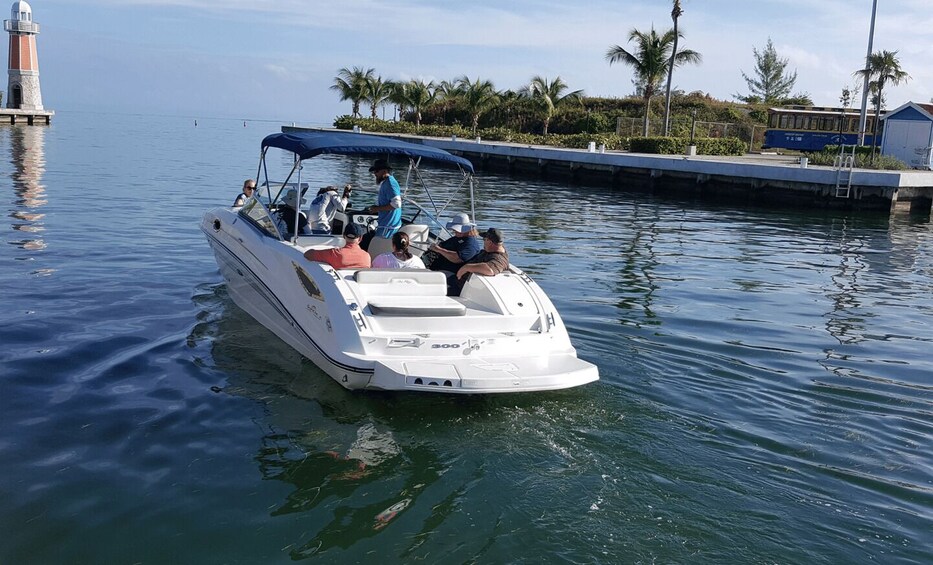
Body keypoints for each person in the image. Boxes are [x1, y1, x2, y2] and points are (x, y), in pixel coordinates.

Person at [450, 228, 510, 295]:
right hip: (458, 281)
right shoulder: (489, 251)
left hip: (463, 290)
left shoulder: (499, 259)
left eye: (484, 239)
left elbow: (490, 270)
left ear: (490, 242)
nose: (483, 242)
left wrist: (466, 267)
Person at [360, 159, 402, 251]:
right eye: (374, 171)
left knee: (371, 246)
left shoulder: (390, 183)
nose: (375, 173)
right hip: (387, 225)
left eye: (377, 171)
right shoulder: (387, 182)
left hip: (387, 228)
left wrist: (377, 209)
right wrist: (377, 208)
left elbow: (397, 204)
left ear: (385, 171)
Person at [303, 223, 371, 269]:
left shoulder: (336, 253)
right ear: (360, 238)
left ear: (344, 236)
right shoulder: (367, 256)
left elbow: (308, 254)